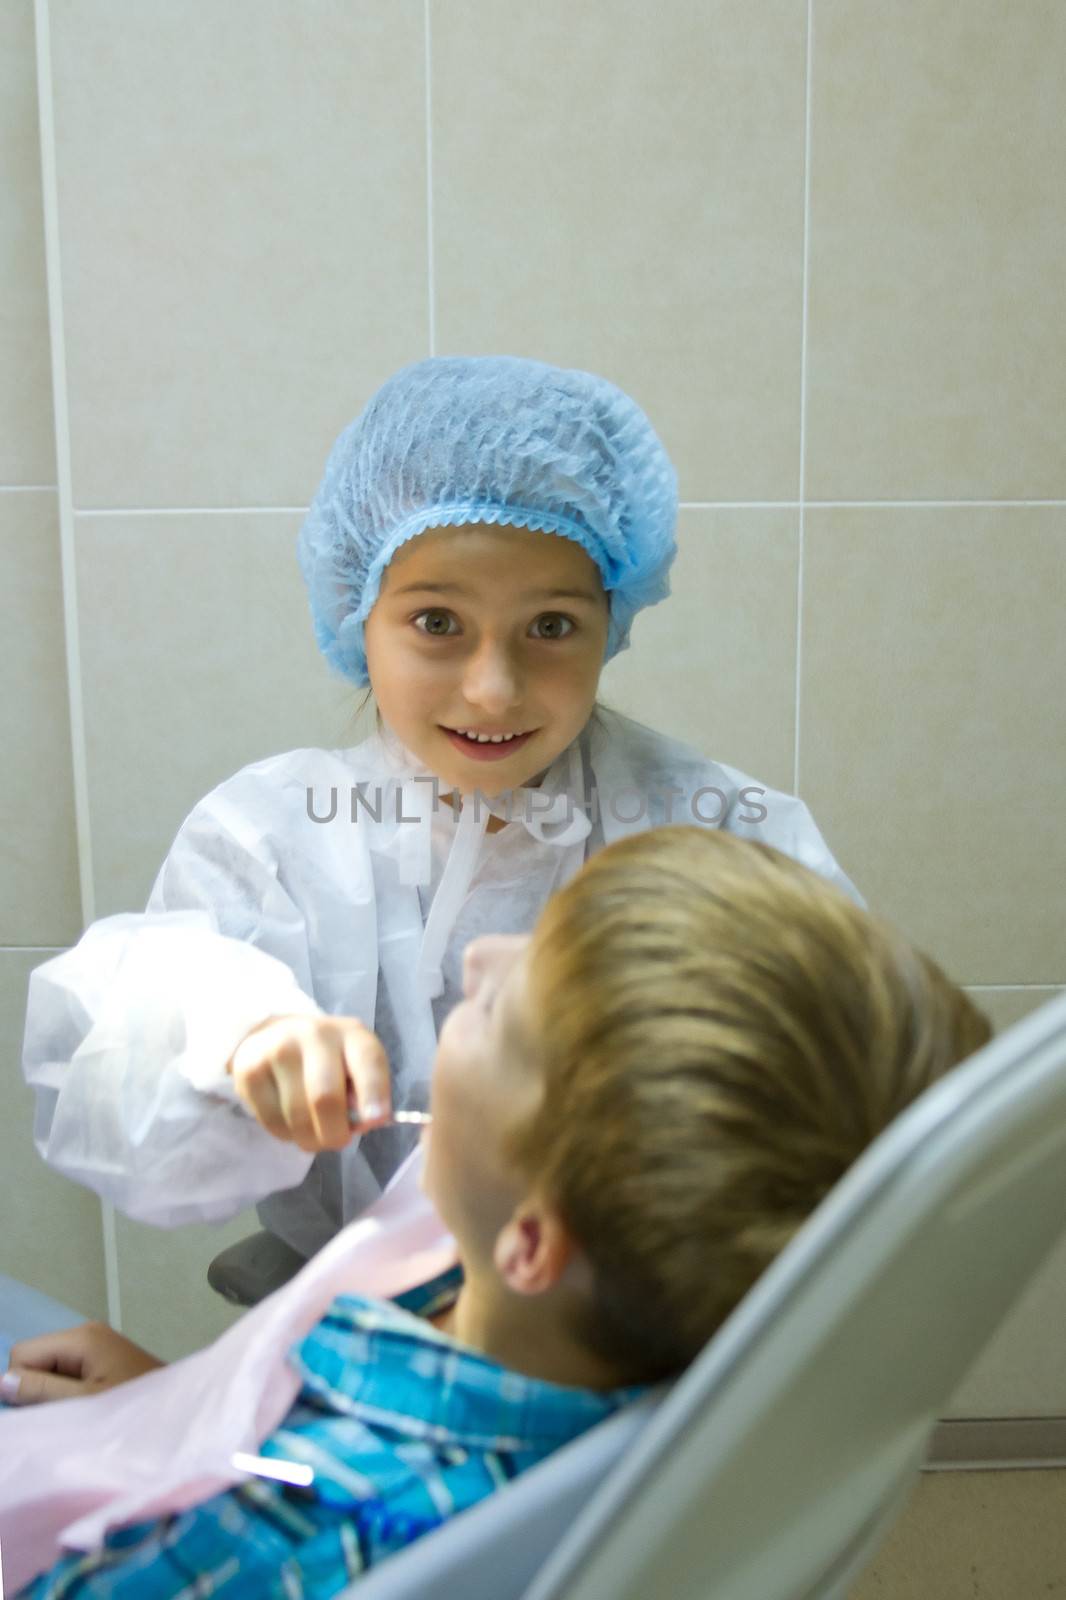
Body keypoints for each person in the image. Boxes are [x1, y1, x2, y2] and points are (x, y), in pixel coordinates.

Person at [21, 355, 862, 1271]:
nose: (493, 690)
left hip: (659, 1348)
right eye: (435, 622)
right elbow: (126, 1091)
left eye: (550, 626)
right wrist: (240, 1039)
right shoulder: (272, 836)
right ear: (358, 616)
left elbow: (853, 1087)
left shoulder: (719, 833)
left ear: (610, 624)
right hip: (363, 1348)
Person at [3, 827, 989, 1597]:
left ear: (530, 1240)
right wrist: (184, 1421)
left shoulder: (283, 1541)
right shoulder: (605, 1319)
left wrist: (195, 1506)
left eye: (498, 1015)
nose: (478, 960)